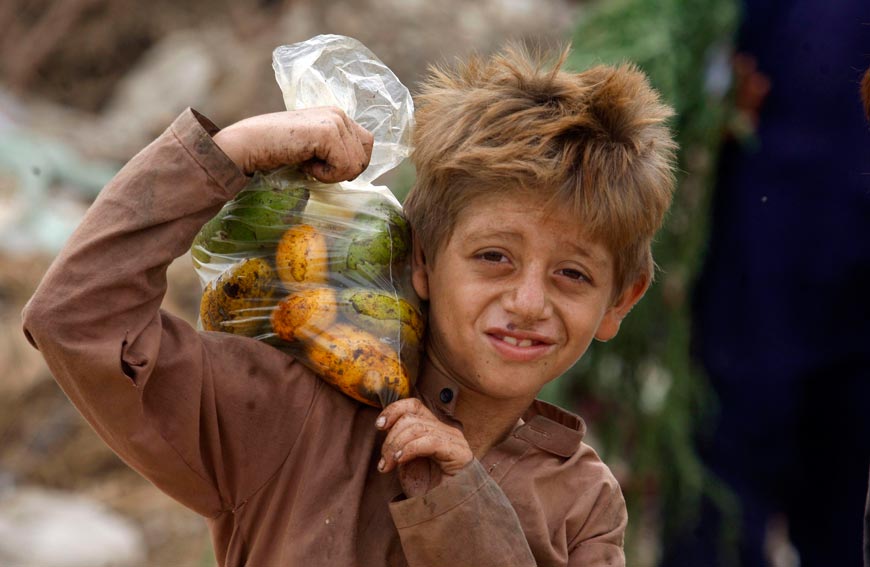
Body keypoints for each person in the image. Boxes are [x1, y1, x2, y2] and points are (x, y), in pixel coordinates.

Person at [21, 46, 676, 566]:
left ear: (621, 301)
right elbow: (77, 319)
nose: (529, 301)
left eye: (571, 274)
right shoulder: (290, 413)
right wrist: (234, 152)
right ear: (419, 260)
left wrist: (462, 495)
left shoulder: (583, 501)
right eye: (493, 257)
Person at [660, 2, 870, 565]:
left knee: (846, 475)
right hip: (769, 223)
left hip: (843, 226)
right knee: (729, 455)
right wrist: (711, 84)